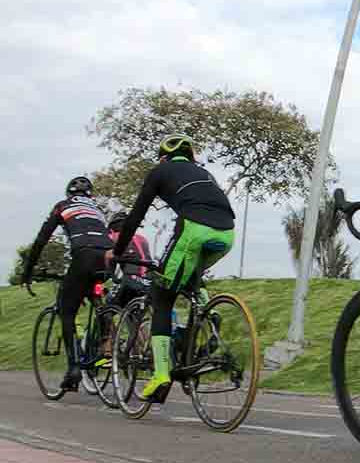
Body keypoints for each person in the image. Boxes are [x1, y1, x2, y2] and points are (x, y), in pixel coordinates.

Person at [111, 135, 236, 402]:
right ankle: (201, 324)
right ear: (190, 156)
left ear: (163, 156)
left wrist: (118, 251)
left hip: (193, 229)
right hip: (226, 235)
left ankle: (161, 376)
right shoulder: (204, 173)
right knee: (188, 279)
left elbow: (134, 217)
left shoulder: (160, 170)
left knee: (161, 295)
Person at [21, 177, 113, 392]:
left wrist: (28, 271)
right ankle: (104, 346)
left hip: (83, 255)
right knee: (95, 294)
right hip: (108, 257)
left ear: (69, 193)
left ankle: (73, 368)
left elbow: (42, 239)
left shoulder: (62, 206)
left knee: (67, 310)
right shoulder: (97, 210)